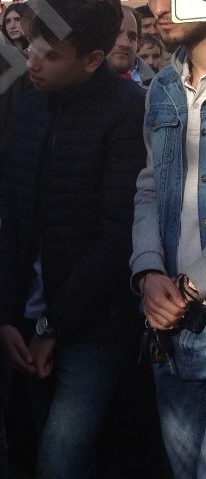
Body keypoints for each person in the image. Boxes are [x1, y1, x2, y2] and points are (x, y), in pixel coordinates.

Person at [0, 1, 150, 478]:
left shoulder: (127, 112)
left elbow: (116, 239)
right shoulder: (27, 108)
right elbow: (11, 220)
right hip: (26, 321)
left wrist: (52, 328)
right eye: (30, 47)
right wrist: (7, 318)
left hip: (94, 327)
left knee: (63, 456)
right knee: (36, 444)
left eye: (51, 54)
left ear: (93, 59)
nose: (32, 61)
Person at [131, 0, 206, 476]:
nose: (159, 7)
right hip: (174, 332)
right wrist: (147, 271)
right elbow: (150, 185)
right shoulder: (162, 85)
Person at [107, 5, 155, 88]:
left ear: (139, 42)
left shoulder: (157, 92)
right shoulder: (78, 91)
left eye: (132, 37)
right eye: (116, 34)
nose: (125, 43)